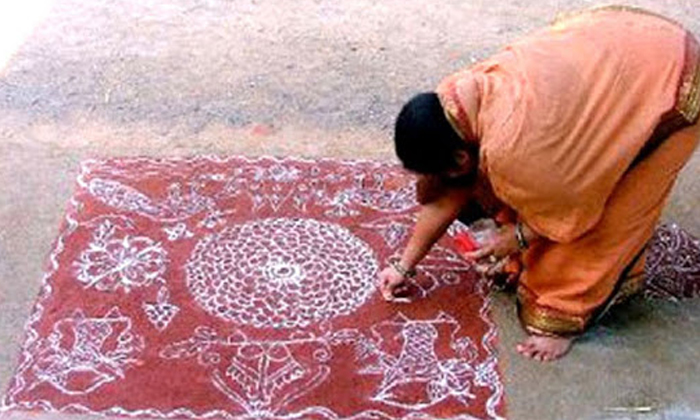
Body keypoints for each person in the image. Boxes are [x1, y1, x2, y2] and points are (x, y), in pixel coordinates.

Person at [377, 5, 700, 362]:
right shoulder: (456, 100)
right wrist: (404, 266)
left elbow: (576, 210)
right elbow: (446, 192)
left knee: (607, 222)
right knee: (522, 192)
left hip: (672, 78)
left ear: (461, 159)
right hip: (621, 38)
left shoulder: (514, 151)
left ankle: (571, 318)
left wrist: (514, 238)